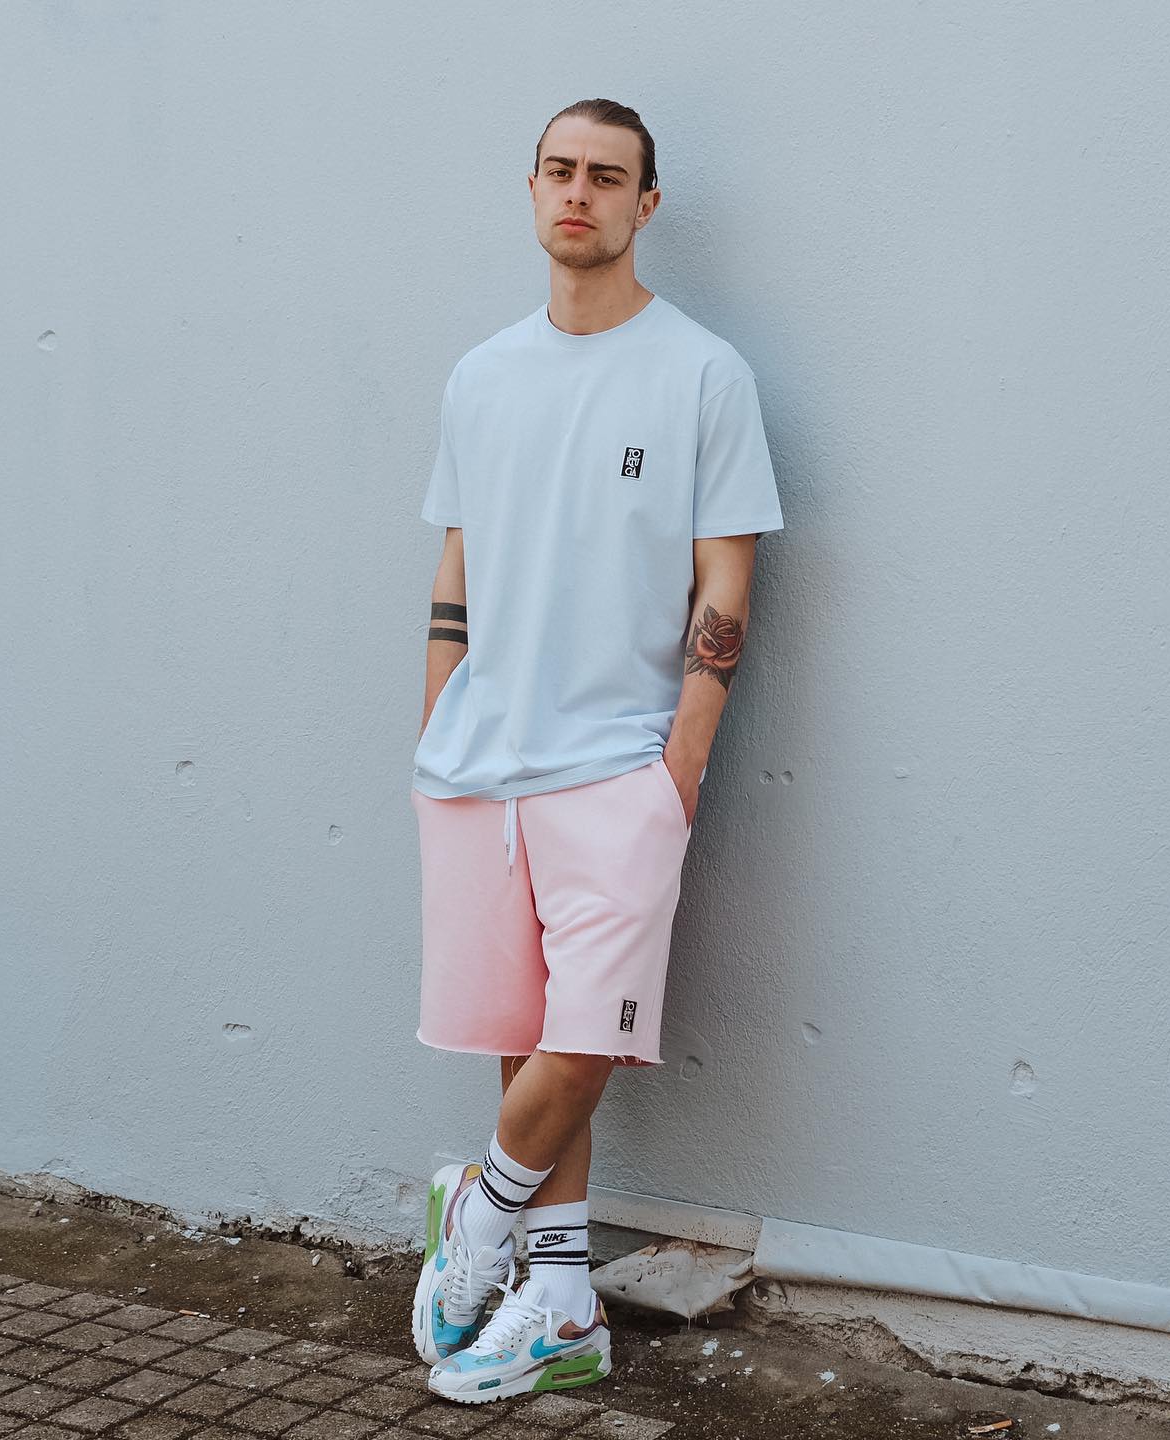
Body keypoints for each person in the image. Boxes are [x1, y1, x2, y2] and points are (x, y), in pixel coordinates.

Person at [408, 97, 785, 1406]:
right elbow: (456, 561)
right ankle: (561, 1304)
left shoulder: (701, 374)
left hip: (621, 765)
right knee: (524, 1039)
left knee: (589, 1037)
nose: (580, 192)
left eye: (607, 177)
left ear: (645, 203)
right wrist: (436, 719)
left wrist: (678, 770)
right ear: (532, 190)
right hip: (480, 763)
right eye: (560, 171)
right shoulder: (481, 375)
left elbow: (726, 584)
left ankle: (481, 1208)